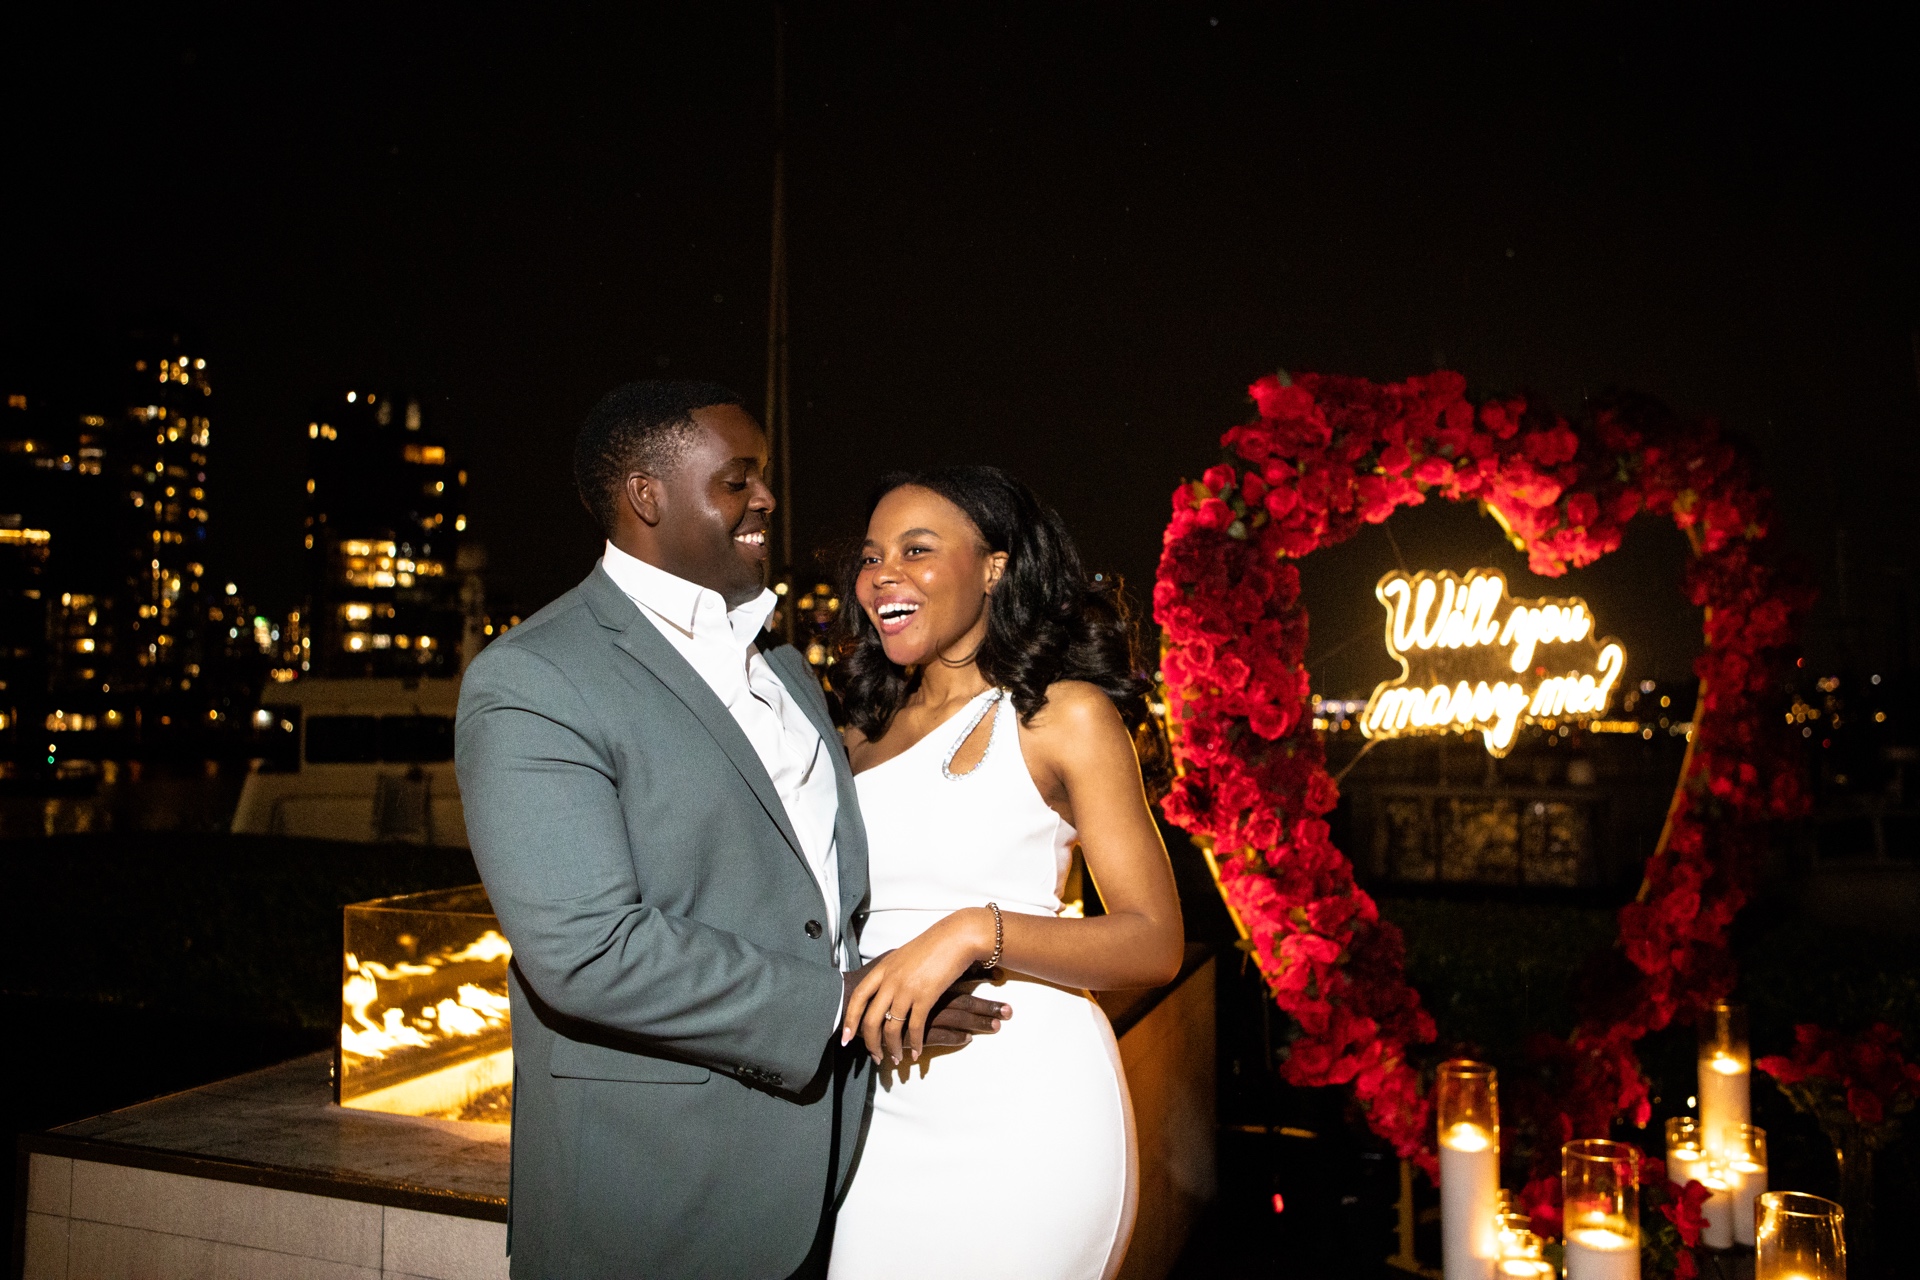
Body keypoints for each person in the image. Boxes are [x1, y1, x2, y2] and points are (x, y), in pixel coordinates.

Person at [454, 382, 1006, 1279]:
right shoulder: (537, 679)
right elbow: (588, 950)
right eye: (738, 480)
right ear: (647, 496)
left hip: (839, 1172)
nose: (768, 501)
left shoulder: (784, 667)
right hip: (655, 1195)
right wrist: (847, 1005)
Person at [826, 466, 1185, 1280]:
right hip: (878, 1114)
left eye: (918, 549)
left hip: (1026, 1113)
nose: (884, 574)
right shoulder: (853, 736)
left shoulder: (1065, 717)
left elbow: (1155, 942)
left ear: (994, 566)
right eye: (873, 555)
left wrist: (969, 932)